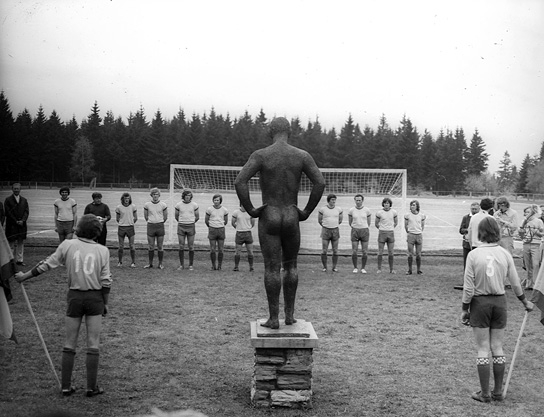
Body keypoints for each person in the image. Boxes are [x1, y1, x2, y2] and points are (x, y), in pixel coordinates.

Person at [235, 116, 325, 329]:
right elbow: (319, 182)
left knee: (272, 268)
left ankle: (274, 318)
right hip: (291, 215)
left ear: (270, 131)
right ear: (289, 131)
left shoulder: (261, 155)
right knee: (291, 266)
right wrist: (306, 211)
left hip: (270, 215)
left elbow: (240, 181)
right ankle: (290, 316)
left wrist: (250, 209)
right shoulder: (301, 155)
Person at [15, 214, 112, 397]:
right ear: (97, 233)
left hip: (74, 297)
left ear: (78, 229)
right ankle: (91, 387)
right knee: (93, 342)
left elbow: (46, 265)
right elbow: (106, 282)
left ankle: (66, 386)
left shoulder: (67, 245)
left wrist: (24, 276)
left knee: (70, 342)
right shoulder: (103, 250)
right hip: (95, 298)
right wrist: (105, 303)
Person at [460, 217, 533, 403]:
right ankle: (498, 391)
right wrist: (524, 301)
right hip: (500, 302)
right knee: (497, 347)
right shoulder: (504, 253)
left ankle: (484, 394)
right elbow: (516, 283)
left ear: (480, 233)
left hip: (480, 303)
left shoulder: (474, 255)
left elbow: (468, 287)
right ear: (497, 232)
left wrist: (464, 309)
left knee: (483, 348)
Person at [518, 205, 544, 291]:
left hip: (535, 244)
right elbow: (520, 234)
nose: (526, 214)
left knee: (536, 264)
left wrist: (535, 231)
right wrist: (522, 231)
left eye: (528, 212)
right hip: (526, 244)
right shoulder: (524, 221)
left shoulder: (539, 221)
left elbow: (542, 233)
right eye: (525, 212)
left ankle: (535, 284)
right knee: (528, 265)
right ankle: (529, 284)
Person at [4, 182, 29, 266]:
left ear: (20, 189)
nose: (16, 190)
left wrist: (23, 220)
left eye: (18, 189)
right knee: (11, 242)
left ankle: (20, 260)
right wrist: (15, 221)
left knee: (20, 242)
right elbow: (8, 212)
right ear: (12, 189)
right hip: (12, 225)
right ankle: (10, 261)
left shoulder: (24, 200)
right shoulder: (8, 200)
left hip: (22, 225)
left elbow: (26, 211)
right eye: (15, 189)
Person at [174, 190, 199, 271]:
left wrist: (190, 222)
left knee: (191, 246)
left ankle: (190, 265)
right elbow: (176, 216)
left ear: (191, 196)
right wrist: (182, 222)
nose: (188, 197)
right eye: (186, 195)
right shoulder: (178, 205)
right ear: (183, 196)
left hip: (191, 226)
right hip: (181, 226)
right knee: (181, 246)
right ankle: (181, 265)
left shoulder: (194, 205)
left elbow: (197, 216)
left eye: (189, 195)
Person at [143, 188, 168, 269]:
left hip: (160, 226)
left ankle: (160, 264)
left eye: (157, 194)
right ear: (151, 195)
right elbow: (146, 216)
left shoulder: (163, 205)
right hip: (151, 226)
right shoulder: (147, 205)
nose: (155, 196)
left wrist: (159, 222)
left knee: (160, 246)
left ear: (159, 195)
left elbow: (165, 217)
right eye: (154, 194)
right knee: (151, 246)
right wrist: (152, 221)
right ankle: (150, 263)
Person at [318, 193, 343, 272]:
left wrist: (334, 225)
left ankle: (334, 267)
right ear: (328, 200)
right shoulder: (323, 209)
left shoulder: (339, 209)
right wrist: (326, 226)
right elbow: (319, 220)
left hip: (335, 230)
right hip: (325, 230)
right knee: (324, 250)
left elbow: (340, 220)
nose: (334, 201)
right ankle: (324, 267)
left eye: (335, 200)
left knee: (335, 250)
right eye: (332, 200)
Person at [348, 194, 372, 274]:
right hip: (355, 230)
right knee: (354, 250)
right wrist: (355, 226)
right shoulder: (351, 210)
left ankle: (363, 268)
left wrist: (363, 226)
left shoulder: (367, 210)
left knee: (364, 251)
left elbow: (368, 222)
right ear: (354, 200)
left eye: (359, 200)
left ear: (362, 201)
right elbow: (350, 221)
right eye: (357, 200)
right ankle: (355, 267)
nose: (358, 202)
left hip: (364, 230)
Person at [205, 194, 228, 270]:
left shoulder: (224, 210)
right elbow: (206, 220)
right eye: (215, 200)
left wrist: (219, 225)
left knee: (221, 249)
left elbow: (226, 221)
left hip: (221, 230)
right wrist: (212, 226)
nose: (216, 202)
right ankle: (213, 265)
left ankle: (220, 265)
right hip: (212, 229)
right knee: (212, 248)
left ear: (220, 201)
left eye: (217, 200)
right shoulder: (209, 209)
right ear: (213, 201)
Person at [375, 197, 398, 274]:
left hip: (390, 233)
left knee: (391, 252)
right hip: (382, 233)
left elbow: (396, 222)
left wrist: (390, 228)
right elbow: (376, 223)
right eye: (385, 203)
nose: (386, 204)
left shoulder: (394, 212)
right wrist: (382, 228)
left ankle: (391, 269)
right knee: (380, 251)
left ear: (390, 204)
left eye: (388, 203)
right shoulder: (379, 213)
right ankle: (379, 269)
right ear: (383, 204)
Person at [115, 192, 137, 267]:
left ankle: (133, 262)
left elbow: (135, 218)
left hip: (130, 227)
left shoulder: (133, 206)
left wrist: (130, 222)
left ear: (130, 199)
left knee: (131, 245)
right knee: (121, 246)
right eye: (125, 198)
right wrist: (122, 223)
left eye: (128, 198)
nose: (126, 200)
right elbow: (117, 218)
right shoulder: (119, 207)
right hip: (121, 227)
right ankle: (120, 262)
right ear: (122, 199)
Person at [404, 200, 426, 275]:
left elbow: (422, 226)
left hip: (419, 235)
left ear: (417, 206)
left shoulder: (421, 215)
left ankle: (419, 270)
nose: (412, 206)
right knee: (410, 254)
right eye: (411, 205)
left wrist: (419, 231)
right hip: (411, 235)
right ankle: (409, 270)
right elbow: (406, 226)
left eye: (413, 205)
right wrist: (410, 232)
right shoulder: (407, 215)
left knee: (418, 254)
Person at [231, 204, 255, 272]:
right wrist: (238, 228)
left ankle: (251, 267)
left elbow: (253, 222)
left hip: (248, 233)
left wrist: (248, 227)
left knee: (250, 251)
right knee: (237, 251)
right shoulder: (236, 212)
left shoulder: (250, 212)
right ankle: (236, 266)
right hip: (239, 233)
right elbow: (233, 222)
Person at [460, 202, 480, 269]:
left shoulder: (481, 218)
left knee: (477, 262)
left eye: (475, 209)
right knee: (467, 262)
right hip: (467, 244)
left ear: (479, 209)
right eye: (472, 209)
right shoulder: (466, 217)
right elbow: (461, 230)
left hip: (477, 244)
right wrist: (467, 230)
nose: (474, 211)